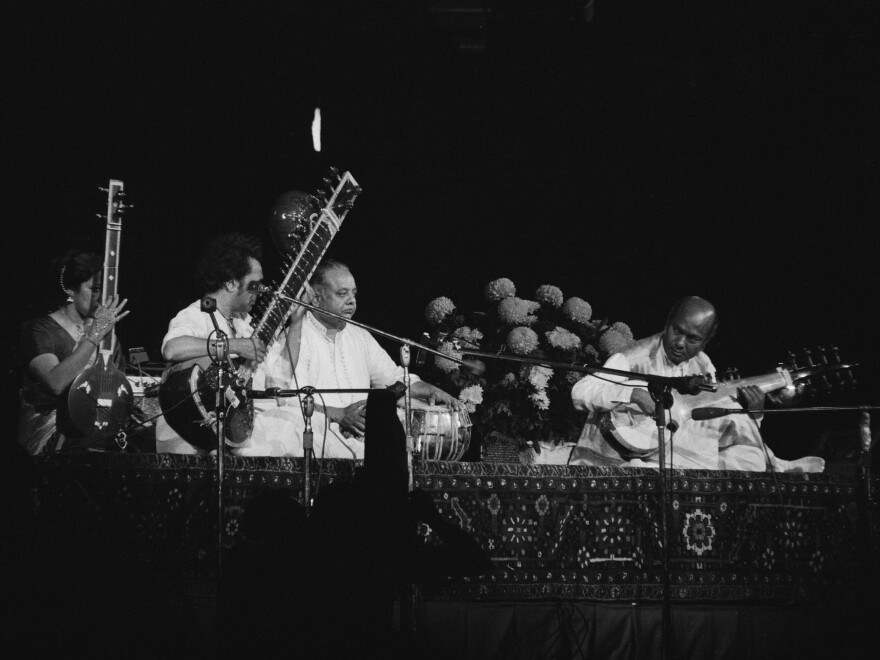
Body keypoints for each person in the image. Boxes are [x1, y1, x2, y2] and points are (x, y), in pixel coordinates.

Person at [557, 296, 824, 472]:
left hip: (667, 445)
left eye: (693, 338)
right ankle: (776, 466)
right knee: (643, 469)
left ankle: (776, 464)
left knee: (741, 432)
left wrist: (756, 413)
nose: (680, 343)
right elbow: (581, 392)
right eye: (677, 330)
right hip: (612, 455)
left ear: (706, 341)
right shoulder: (634, 356)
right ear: (668, 323)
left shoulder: (704, 365)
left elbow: (708, 414)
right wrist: (633, 393)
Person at [238, 259, 462, 459]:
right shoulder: (296, 336)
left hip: (361, 435)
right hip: (320, 434)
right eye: (341, 293)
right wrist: (339, 415)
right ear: (316, 298)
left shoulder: (360, 336)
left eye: (354, 293)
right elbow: (288, 398)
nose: (352, 301)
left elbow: (394, 380)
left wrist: (432, 390)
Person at [156, 233, 272, 454]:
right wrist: (235, 346)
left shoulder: (243, 324)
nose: (261, 291)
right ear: (230, 283)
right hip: (188, 435)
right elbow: (172, 349)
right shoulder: (198, 313)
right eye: (255, 285)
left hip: (225, 436)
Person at [18, 250, 129, 454]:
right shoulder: (40, 330)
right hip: (52, 433)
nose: (101, 298)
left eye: (105, 291)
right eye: (94, 289)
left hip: (97, 429)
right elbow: (56, 383)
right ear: (70, 289)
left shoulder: (107, 336)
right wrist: (94, 335)